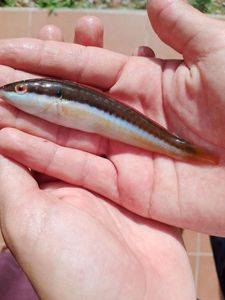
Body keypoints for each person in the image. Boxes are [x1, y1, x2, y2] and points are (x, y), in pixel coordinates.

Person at [0, 0, 225, 298]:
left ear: (51, 96)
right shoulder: (49, 104)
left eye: (21, 90)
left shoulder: (60, 99)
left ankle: (187, 151)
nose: (15, 94)